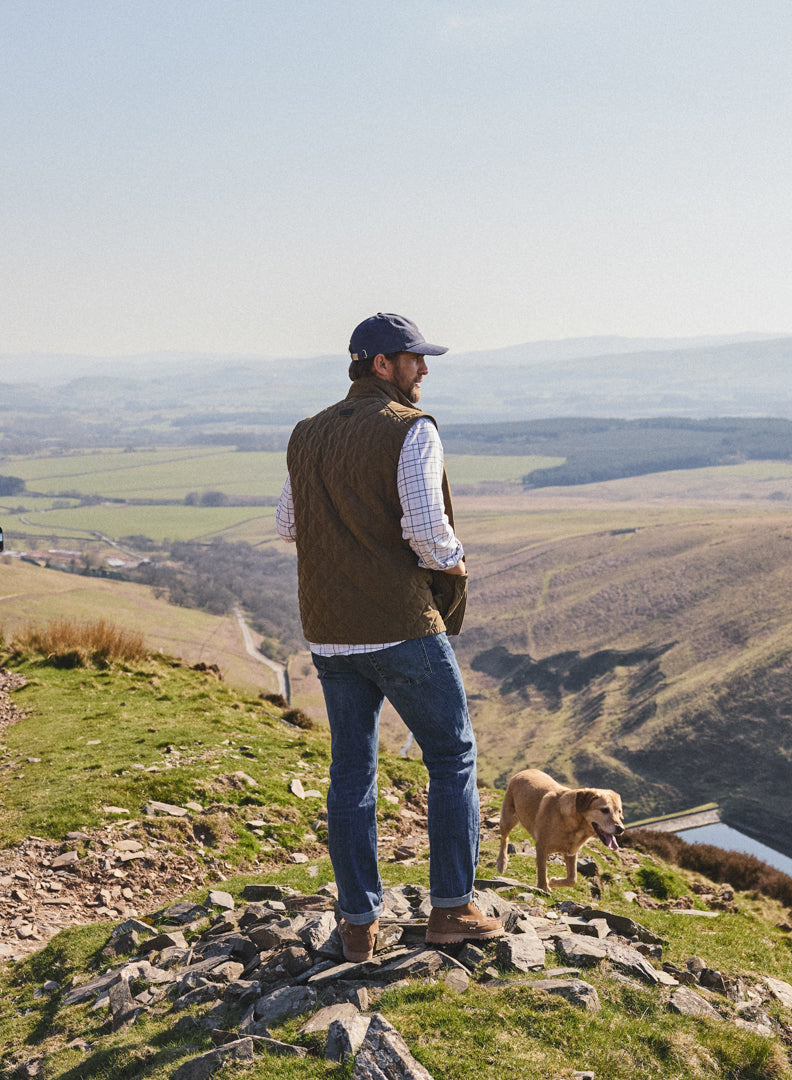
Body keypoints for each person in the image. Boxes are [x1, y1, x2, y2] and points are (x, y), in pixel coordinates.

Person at [276, 312, 503, 962]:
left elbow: (289, 523)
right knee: (453, 754)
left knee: (351, 769)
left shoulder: (307, 433)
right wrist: (456, 559)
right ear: (381, 364)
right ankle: (454, 908)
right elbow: (427, 531)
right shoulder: (411, 430)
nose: (423, 370)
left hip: (329, 634)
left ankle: (356, 925)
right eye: (414, 358)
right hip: (399, 627)